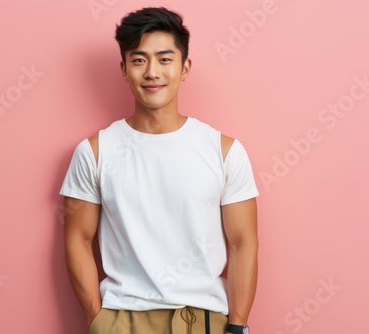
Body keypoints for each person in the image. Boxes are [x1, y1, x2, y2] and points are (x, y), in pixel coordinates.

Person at [60, 7, 259, 334]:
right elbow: (77, 239)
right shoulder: (95, 152)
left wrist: (237, 327)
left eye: (165, 59)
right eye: (139, 60)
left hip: (203, 319)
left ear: (185, 68)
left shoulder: (224, 151)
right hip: (122, 318)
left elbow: (243, 243)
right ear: (124, 69)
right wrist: (98, 321)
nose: (152, 72)